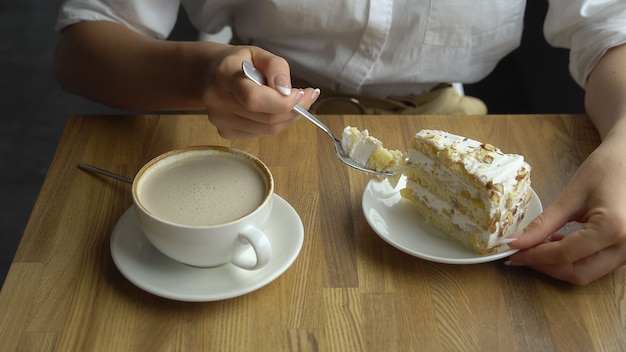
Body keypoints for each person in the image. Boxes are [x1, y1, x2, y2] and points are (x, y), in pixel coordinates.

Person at [53, 0, 626, 285]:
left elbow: (610, 26)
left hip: (447, 119)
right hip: (252, 120)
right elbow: (81, 47)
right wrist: (200, 74)